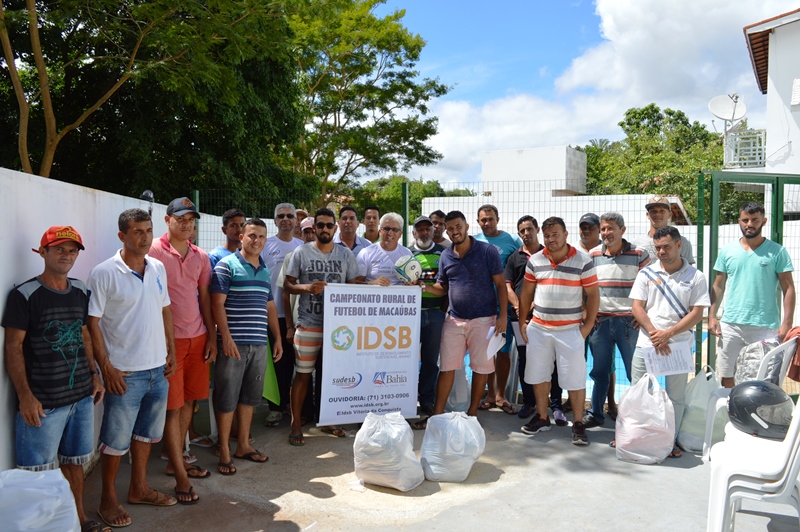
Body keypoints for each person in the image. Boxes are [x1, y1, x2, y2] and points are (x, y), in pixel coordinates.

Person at [3, 226, 108, 532]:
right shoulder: (24, 295)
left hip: (80, 398)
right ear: (43, 252)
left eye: (72, 250)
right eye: (59, 249)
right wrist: (25, 396)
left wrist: (94, 376)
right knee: (36, 475)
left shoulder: (79, 290)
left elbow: (85, 333)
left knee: (75, 463)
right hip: (43, 403)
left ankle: (78, 520)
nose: (67, 255)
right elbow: (12, 347)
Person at [88, 209, 178, 527]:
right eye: (137, 231)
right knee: (115, 440)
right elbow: (92, 324)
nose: (144, 237)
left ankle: (139, 488)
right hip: (125, 373)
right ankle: (107, 498)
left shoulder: (156, 267)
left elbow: (165, 309)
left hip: (158, 369)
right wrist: (106, 368)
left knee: (146, 435)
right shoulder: (104, 273)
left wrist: (171, 349)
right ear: (122, 236)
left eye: (148, 230)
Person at [412, 210, 507, 428]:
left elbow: (501, 284)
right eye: (450, 228)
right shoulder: (446, 255)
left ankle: (472, 415)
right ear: (446, 230)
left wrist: (502, 315)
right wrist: (423, 286)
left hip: (484, 320)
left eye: (458, 227)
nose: (455, 231)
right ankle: (436, 416)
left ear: (466, 226)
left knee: (480, 368)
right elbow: (442, 288)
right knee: (446, 367)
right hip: (454, 320)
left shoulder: (486, 251)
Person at [148, 197, 216, 503]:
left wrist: (212, 336)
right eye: (181, 219)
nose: (187, 224)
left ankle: (175, 455)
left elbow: (204, 298)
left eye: (191, 219)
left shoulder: (201, 256)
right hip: (169, 342)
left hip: (198, 337)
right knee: (173, 407)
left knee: (189, 401)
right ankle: (179, 473)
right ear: (167, 220)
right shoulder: (152, 251)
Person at [628, 226, 710, 457]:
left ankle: (670, 440)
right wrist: (655, 333)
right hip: (647, 343)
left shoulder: (696, 276)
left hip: (679, 345)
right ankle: (635, 437)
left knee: (676, 397)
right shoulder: (646, 273)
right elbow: (637, 307)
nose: (661, 252)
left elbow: (697, 313)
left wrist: (669, 334)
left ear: (679, 245)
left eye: (666, 246)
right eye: (658, 248)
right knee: (639, 391)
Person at [284, 208, 364, 446]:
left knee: (333, 378)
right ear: (314, 228)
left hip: (337, 330)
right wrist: (307, 288)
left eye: (329, 225)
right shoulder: (301, 252)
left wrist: (374, 284)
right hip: (308, 324)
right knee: (302, 376)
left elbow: (354, 286)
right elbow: (288, 285)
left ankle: (328, 419)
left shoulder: (345, 254)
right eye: (321, 225)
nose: (325, 229)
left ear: (335, 228)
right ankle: (296, 423)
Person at [211, 218, 282, 475]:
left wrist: (276, 337)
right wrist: (226, 338)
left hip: (259, 344)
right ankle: (225, 451)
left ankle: (242, 445)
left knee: (250, 397)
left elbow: (270, 306)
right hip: (233, 345)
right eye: (252, 235)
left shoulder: (264, 270)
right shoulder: (226, 265)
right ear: (241, 236)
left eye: (262, 237)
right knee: (227, 397)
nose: (257, 241)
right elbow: (217, 304)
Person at [519, 217, 599, 445]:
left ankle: (579, 424)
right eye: (547, 235)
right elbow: (526, 293)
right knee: (538, 374)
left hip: (570, 330)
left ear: (565, 234)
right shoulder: (535, 260)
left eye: (555, 234)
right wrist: (524, 322)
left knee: (575, 379)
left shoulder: (583, 261)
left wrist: (588, 326)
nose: (551, 239)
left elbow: (593, 295)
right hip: (539, 329)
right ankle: (543, 418)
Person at [709, 202, 795, 388]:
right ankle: (732, 414)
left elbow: (788, 288)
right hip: (731, 324)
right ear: (739, 221)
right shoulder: (727, 251)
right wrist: (712, 316)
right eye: (745, 220)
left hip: (764, 327)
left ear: (763, 221)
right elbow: (718, 285)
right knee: (727, 376)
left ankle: (755, 416)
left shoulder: (777, 251)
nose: (750, 224)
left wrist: (787, 323)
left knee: (763, 378)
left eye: (755, 220)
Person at [583, 212, 650, 429]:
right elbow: (585, 288)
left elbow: (651, 286)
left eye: (610, 228)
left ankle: (640, 417)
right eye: (603, 229)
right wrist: (588, 315)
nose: (606, 233)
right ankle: (596, 414)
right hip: (600, 323)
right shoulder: (592, 255)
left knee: (636, 373)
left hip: (628, 323)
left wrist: (643, 315)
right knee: (600, 372)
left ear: (623, 229)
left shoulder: (639, 254)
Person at [504, 215, 566, 423]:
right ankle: (529, 402)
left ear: (537, 230)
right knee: (525, 360)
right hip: (520, 320)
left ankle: (556, 405)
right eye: (522, 230)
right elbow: (507, 286)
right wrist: (518, 307)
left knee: (553, 361)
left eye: (529, 229)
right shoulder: (515, 257)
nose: (526, 233)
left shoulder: (549, 254)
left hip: (546, 318)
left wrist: (534, 305)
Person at [474, 204, 522, 415]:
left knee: (503, 351)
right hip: (481, 306)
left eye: (490, 219)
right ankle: (489, 394)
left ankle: (501, 395)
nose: (487, 223)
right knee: (485, 352)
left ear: (498, 219)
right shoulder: (474, 241)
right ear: (478, 222)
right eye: (483, 219)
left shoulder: (512, 241)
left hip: (504, 305)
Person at [260, 203, 303, 428]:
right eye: (281, 216)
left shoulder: (302, 246)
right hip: (272, 313)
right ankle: (275, 409)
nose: (285, 219)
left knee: (297, 363)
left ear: (296, 221)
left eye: (290, 216)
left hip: (296, 313)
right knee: (277, 362)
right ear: (275, 221)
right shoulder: (266, 245)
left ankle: (293, 406)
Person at [408, 215, 446, 417]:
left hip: (435, 315)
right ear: (414, 233)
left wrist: (424, 287)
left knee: (431, 361)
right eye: (420, 229)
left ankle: (426, 399)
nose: (424, 232)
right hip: (410, 316)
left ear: (433, 231)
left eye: (427, 229)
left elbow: (446, 287)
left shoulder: (443, 253)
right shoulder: (406, 254)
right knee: (407, 360)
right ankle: (405, 399)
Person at [577, 212, 614, 415]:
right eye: (583, 226)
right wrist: (584, 309)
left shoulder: (607, 250)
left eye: (591, 226)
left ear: (598, 228)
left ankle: (610, 401)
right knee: (577, 360)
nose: (587, 230)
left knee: (606, 364)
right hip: (577, 317)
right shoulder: (573, 249)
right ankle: (577, 401)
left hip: (602, 318)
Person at [631, 195, 694, 265]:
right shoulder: (636, 243)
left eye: (662, 211)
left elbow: (688, 271)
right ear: (647, 215)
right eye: (653, 211)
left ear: (670, 215)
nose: (657, 214)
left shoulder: (682, 242)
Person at [357, 212, 412, 286]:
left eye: (395, 229)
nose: (390, 233)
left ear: (400, 234)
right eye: (386, 229)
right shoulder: (366, 253)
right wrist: (372, 283)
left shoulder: (407, 254)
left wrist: (411, 283)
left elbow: (413, 282)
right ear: (380, 232)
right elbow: (354, 283)